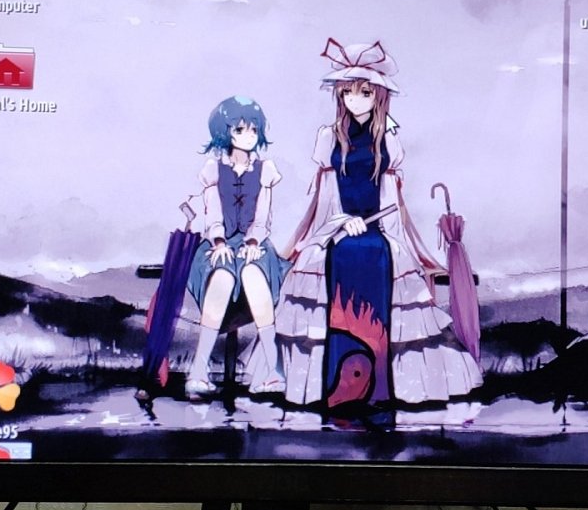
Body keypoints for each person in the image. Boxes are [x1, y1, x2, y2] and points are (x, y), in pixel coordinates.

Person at [274, 40, 482, 415]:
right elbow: (324, 196)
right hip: (336, 230)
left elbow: (391, 199)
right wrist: (341, 222)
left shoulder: (389, 139)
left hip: (380, 231)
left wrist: (383, 230)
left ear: (379, 96)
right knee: (330, 263)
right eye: (348, 93)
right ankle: (334, 385)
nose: (355, 100)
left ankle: (381, 386)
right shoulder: (328, 137)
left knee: (382, 259)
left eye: (365, 92)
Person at [181, 95, 288, 398]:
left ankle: (274, 370)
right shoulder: (213, 169)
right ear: (224, 132)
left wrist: (254, 241)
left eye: (253, 129)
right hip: (220, 243)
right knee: (221, 278)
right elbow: (212, 212)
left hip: (255, 242)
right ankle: (198, 370)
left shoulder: (265, 169)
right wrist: (218, 241)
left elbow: (263, 215)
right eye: (240, 130)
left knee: (254, 276)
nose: (248, 136)